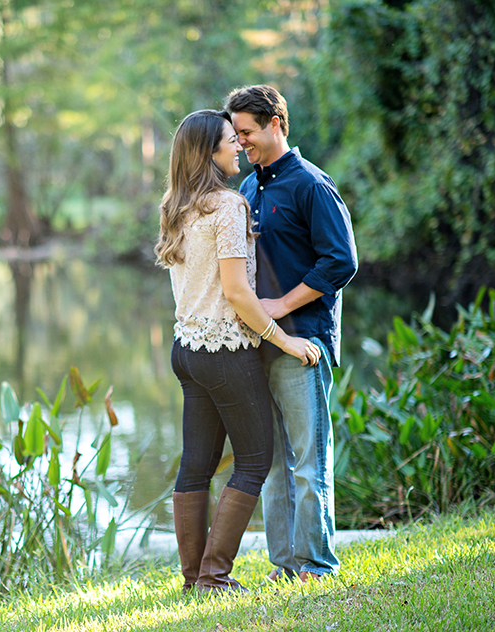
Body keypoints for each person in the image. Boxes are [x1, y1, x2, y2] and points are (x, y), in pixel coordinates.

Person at [155, 109, 322, 594]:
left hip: (186, 349)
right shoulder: (226, 207)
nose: (239, 147)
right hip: (225, 352)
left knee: (196, 464)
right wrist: (285, 339)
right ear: (209, 152)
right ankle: (214, 577)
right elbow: (237, 292)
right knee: (255, 458)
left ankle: (195, 578)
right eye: (231, 140)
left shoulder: (177, 205)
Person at [224, 85, 358, 583]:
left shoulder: (311, 185)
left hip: (303, 342)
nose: (241, 143)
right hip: (259, 344)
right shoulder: (249, 189)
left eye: (248, 132)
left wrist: (280, 306)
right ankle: (285, 566)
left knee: (309, 461)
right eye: (235, 135)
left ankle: (318, 566)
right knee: (275, 465)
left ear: (276, 123)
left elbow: (341, 261)